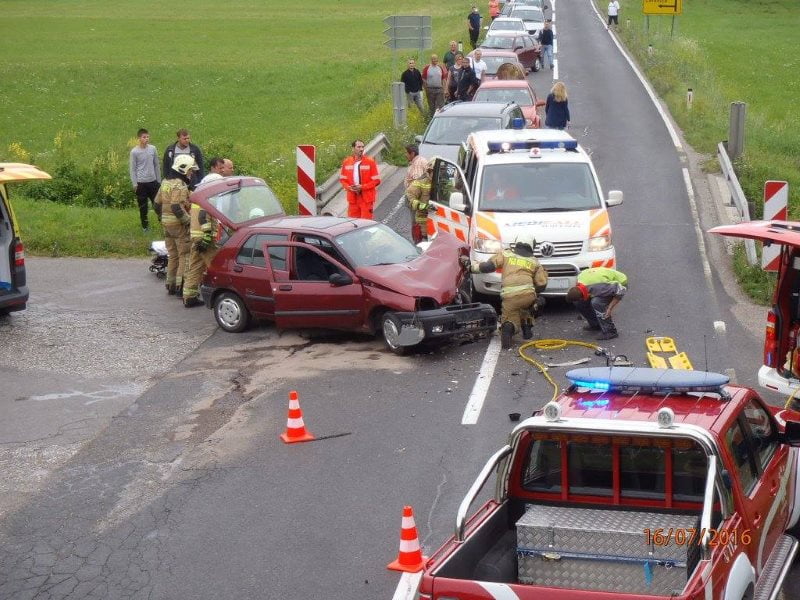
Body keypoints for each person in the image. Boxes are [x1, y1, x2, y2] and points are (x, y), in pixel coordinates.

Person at [464, 234, 548, 349]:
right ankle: (527, 326)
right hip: (528, 295)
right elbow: (542, 284)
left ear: (516, 243)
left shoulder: (506, 254)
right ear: (532, 246)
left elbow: (488, 267)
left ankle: (508, 328)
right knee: (527, 307)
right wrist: (535, 293)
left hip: (510, 296)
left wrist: (470, 268)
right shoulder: (534, 262)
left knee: (510, 318)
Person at [183, 159, 232, 307]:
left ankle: (189, 297)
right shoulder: (207, 200)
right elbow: (204, 218)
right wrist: (206, 239)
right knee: (216, 266)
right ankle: (221, 296)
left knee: (196, 266)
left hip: (195, 236)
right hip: (205, 238)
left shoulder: (198, 197)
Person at [155, 155, 197, 296]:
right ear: (183, 169)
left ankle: (171, 284)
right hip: (178, 225)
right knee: (184, 254)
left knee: (172, 255)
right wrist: (189, 221)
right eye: (190, 170)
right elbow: (176, 207)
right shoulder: (180, 185)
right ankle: (181, 286)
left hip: (166, 224)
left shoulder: (165, 182)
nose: (191, 173)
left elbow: (156, 203)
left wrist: (161, 218)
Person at [565, 267, 628, 340]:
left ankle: (610, 331)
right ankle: (595, 324)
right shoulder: (579, 280)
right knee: (579, 303)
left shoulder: (600, 287)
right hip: (600, 283)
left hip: (620, 282)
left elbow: (620, 290)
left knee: (597, 302)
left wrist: (610, 308)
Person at [128, 128, 161, 232]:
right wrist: (134, 184)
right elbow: (132, 169)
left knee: (158, 205)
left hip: (153, 182)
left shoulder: (153, 149)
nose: (146, 139)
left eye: (147, 137)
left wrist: (158, 181)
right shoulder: (134, 152)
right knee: (143, 207)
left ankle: (163, 224)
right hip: (141, 183)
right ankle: (145, 227)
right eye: (144, 137)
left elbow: (156, 165)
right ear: (139, 138)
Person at [339, 139, 381, 219]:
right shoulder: (346, 162)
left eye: (362, 147)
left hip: (366, 199)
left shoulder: (370, 162)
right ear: (353, 148)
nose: (361, 149)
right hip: (353, 199)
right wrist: (349, 187)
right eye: (359, 147)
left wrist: (362, 187)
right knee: (353, 223)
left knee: (365, 224)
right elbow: (343, 180)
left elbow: (376, 181)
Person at [406, 162, 433, 244]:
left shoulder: (444, 183)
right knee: (423, 248)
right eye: (433, 171)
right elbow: (409, 198)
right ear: (429, 171)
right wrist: (424, 206)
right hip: (423, 224)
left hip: (438, 223)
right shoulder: (420, 183)